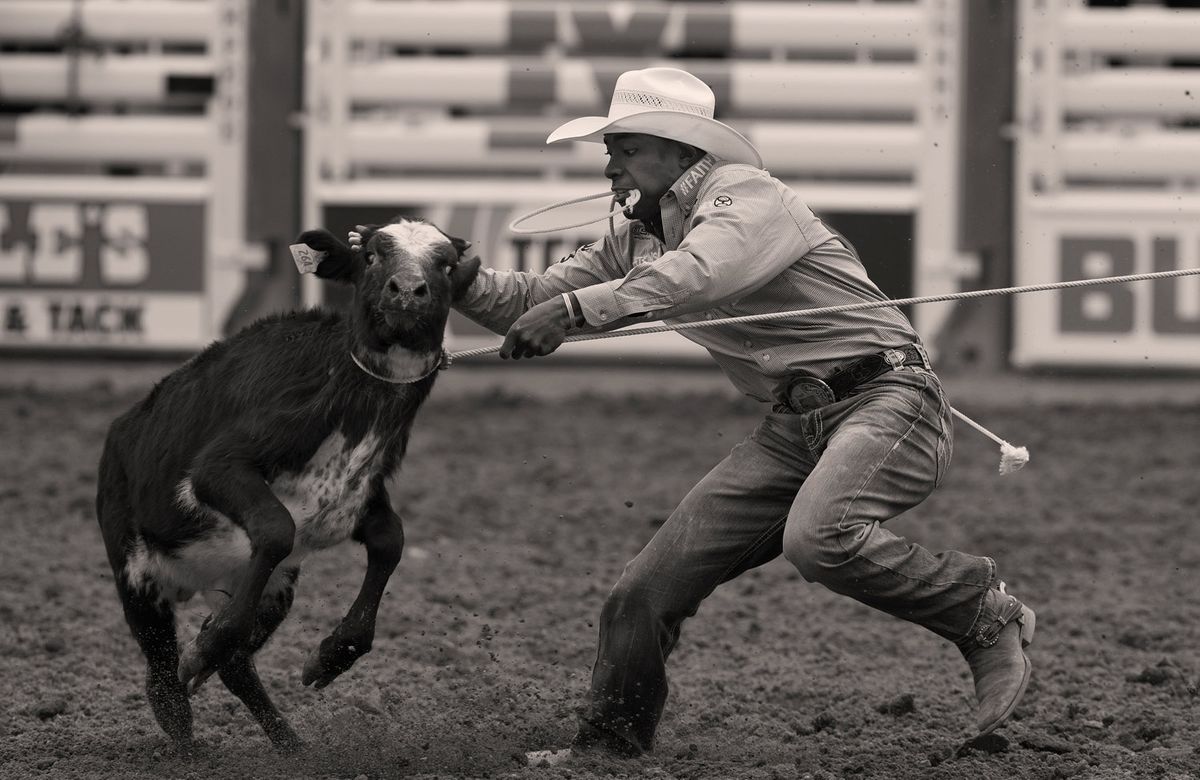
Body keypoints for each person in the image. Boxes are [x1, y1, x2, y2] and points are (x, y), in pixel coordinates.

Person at [371, 67, 1036, 763]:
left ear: (678, 150)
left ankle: (981, 611)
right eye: (612, 150)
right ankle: (608, 748)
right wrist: (461, 275)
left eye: (625, 148)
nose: (609, 166)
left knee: (820, 538)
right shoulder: (636, 238)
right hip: (794, 427)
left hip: (890, 400)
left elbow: (702, 273)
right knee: (641, 593)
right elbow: (530, 297)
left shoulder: (748, 196)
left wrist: (572, 310)